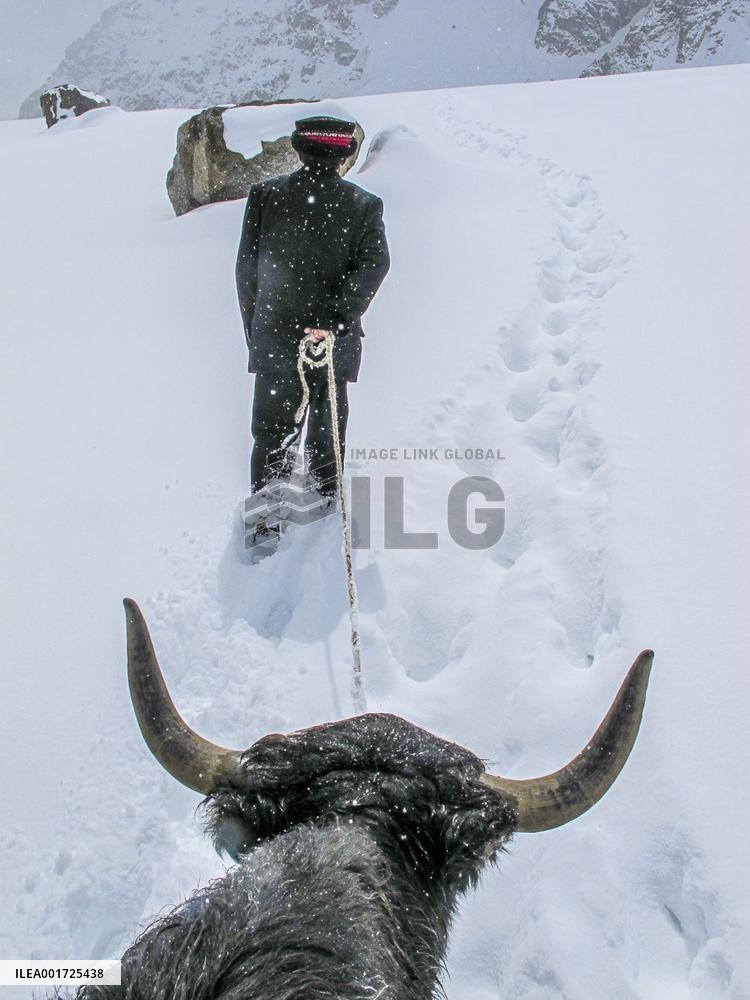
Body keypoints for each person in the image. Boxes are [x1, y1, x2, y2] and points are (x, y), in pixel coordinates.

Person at [236, 115, 390, 543]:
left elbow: (247, 272)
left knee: (272, 437)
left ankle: (266, 528)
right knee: (326, 436)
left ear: (299, 149)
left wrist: (258, 333)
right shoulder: (362, 204)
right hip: (332, 344)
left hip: (275, 340)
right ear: (345, 155)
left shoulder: (266, 196)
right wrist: (334, 318)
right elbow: (374, 266)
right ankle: (321, 527)